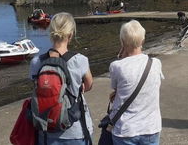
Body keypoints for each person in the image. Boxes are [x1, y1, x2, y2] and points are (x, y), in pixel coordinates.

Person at [29, 12, 94, 145]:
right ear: (70, 35)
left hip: (46, 130)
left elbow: (37, 89)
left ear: (51, 34)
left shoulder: (37, 62)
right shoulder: (80, 60)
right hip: (75, 130)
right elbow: (89, 84)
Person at [109, 20, 163, 145]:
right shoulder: (155, 63)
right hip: (151, 128)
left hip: (125, 129)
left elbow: (117, 89)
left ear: (122, 42)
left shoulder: (116, 66)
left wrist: (122, 56)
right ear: (143, 41)